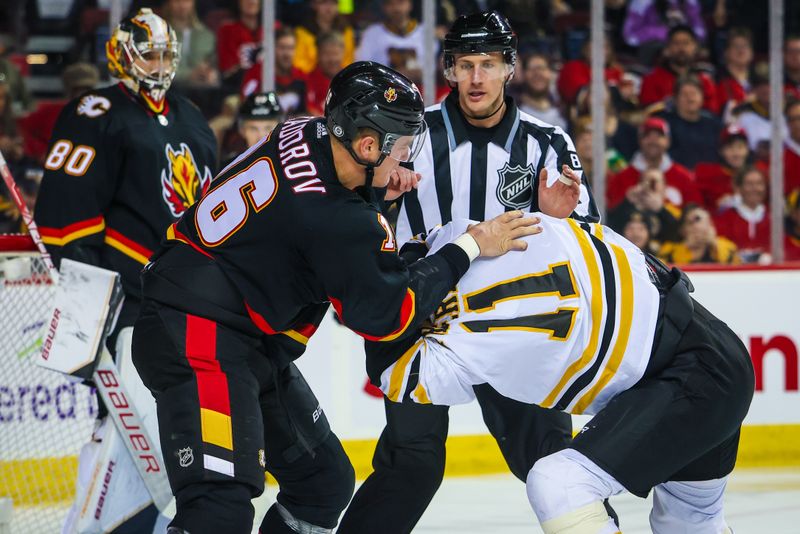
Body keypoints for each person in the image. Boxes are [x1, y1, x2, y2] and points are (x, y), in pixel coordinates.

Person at [131, 61, 540, 534]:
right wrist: (467, 247)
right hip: (197, 334)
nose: (403, 163)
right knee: (218, 507)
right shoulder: (337, 218)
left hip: (236, 333)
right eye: (401, 149)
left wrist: (378, 197)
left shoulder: (303, 130)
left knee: (322, 481)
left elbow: (309, 217)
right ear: (367, 146)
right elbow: (390, 314)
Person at [339, 11, 607, 534]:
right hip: (423, 316)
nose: (477, 78)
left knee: (549, 461)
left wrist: (560, 221)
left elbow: (588, 244)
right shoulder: (407, 131)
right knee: (411, 465)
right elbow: (352, 212)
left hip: (517, 321)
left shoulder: (548, 143)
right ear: (450, 70)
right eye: (465, 65)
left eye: (488, 64)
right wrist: (382, 202)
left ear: (511, 68)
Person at [370, 215, 754, 534]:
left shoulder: (456, 240)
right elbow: (391, 371)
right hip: (695, 360)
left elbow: (389, 362)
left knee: (560, 486)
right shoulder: (460, 246)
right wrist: (457, 253)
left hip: (696, 366)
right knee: (688, 522)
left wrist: (379, 305)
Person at [34, 12, 217, 529]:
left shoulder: (192, 118)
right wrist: (92, 301)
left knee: (140, 433)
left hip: (185, 301)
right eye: (148, 53)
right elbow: (67, 216)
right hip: (127, 303)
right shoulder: (95, 112)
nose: (158, 65)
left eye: (164, 54)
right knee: (133, 431)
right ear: (122, 55)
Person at [607, 117, 701, 214]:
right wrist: (627, 202)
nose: (653, 141)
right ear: (639, 140)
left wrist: (663, 208)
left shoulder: (684, 177)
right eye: (647, 136)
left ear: (668, 141)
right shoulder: (621, 178)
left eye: (658, 136)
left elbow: (694, 214)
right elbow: (609, 214)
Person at [18, 62, 99, 164]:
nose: (83, 95)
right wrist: (40, 150)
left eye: (87, 89)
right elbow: (21, 129)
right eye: (78, 90)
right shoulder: (50, 112)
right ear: (69, 91)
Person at [639, 25, 719, 114]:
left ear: (695, 47)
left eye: (686, 43)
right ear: (667, 48)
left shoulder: (705, 81)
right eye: (676, 43)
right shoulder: (652, 79)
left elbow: (712, 114)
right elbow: (648, 113)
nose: (681, 48)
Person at [656, 74, 722, 170]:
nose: (690, 99)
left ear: (702, 97)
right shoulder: (665, 125)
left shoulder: (714, 124)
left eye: (694, 93)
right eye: (685, 94)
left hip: (709, 179)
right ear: (675, 98)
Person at [355, 0, 428, 84]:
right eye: (390, 4)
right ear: (384, 7)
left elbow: (435, 71)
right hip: (383, 90)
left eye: (400, 2)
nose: (396, 8)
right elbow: (363, 68)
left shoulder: (425, 32)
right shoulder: (372, 33)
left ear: (410, 4)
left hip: (421, 90)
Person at [714, 166, 771, 263]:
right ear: (738, 188)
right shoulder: (725, 218)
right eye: (749, 184)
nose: (755, 188)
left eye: (759, 183)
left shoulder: (773, 218)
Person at [659, 203, 740, 264]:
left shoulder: (726, 246)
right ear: (682, 230)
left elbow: (736, 267)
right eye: (689, 223)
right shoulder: (669, 249)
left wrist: (714, 244)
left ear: (710, 224)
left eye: (698, 220)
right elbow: (664, 271)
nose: (695, 226)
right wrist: (685, 247)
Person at [220, 90, 284, 166]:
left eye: (268, 128)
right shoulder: (229, 167)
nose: (261, 136)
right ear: (242, 130)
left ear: (281, 130)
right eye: (253, 129)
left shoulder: (292, 164)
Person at [293, 0, 355, 74]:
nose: (329, 8)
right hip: (309, 79)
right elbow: (298, 63)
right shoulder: (302, 32)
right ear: (314, 4)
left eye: (334, 3)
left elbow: (349, 60)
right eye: (324, 2)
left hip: (340, 77)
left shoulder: (346, 30)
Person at [517, 53, 567, 131]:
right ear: (523, 74)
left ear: (550, 73)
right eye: (532, 69)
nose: (537, 74)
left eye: (542, 68)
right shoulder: (512, 109)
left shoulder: (563, 108)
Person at [305, 31, 346, 116]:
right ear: (318, 55)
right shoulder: (308, 81)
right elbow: (310, 111)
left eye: (335, 54)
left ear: (343, 54)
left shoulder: (350, 80)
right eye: (327, 54)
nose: (332, 60)